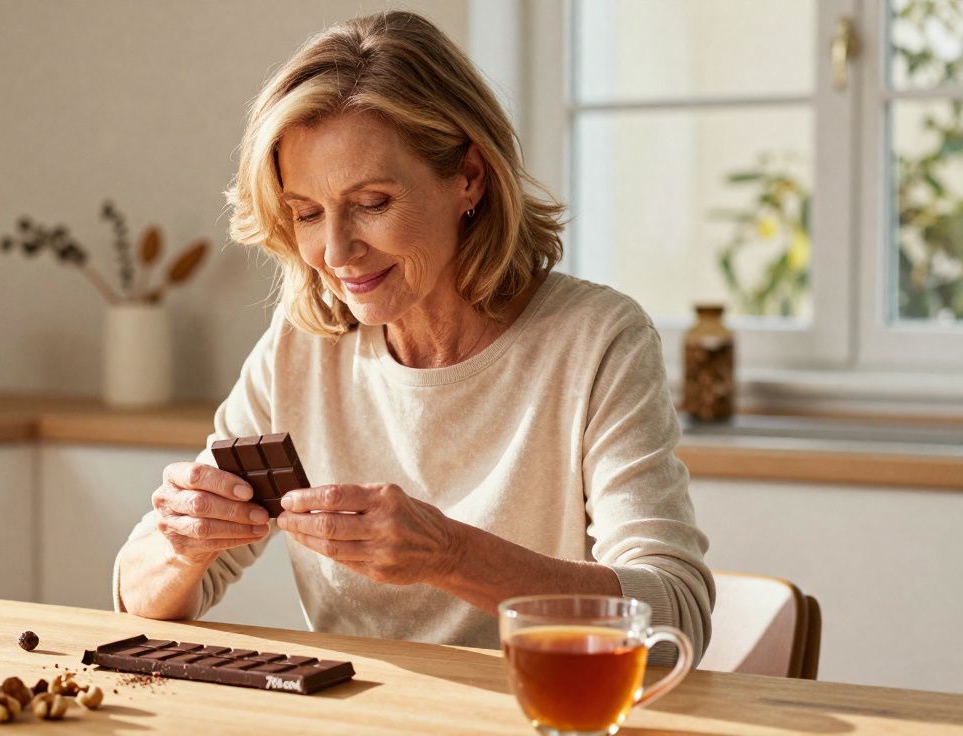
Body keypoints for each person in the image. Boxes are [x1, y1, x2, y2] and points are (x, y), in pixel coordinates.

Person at [114, 10, 713, 661]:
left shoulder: (596, 342)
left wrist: (452, 555)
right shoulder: (302, 349)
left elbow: (674, 622)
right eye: (308, 214)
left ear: (470, 179)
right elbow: (136, 599)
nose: (337, 252)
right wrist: (185, 545)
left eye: (371, 203)